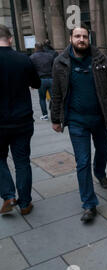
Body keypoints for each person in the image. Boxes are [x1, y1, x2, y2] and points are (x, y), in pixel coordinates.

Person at [51, 24, 107, 223]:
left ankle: (100, 172)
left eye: (84, 36)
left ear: (89, 39)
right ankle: (89, 204)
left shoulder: (101, 60)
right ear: (71, 39)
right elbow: (57, 93)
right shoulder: (60, 62)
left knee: (102, 149)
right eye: (77, 36)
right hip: (76, 121)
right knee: (82, 161)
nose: (81, 40)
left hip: (100, 117)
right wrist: (55, 119)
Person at [0, 24, 41, 215]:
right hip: (22, 120)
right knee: (22, 161)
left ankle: (8, 195)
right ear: (9, 39)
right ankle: (25, 203)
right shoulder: (23, 59)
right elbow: (36, 83)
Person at [30, 42, 56, 120]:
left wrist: (32, 83)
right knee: (54, 98)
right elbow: (54, 67)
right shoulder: (50, 56)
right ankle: (56, 114)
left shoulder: (32, 57)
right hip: (51, 79)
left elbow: (32, 71)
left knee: (42, 98)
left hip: (41, 80)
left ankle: (45, 115)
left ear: (35, 48)